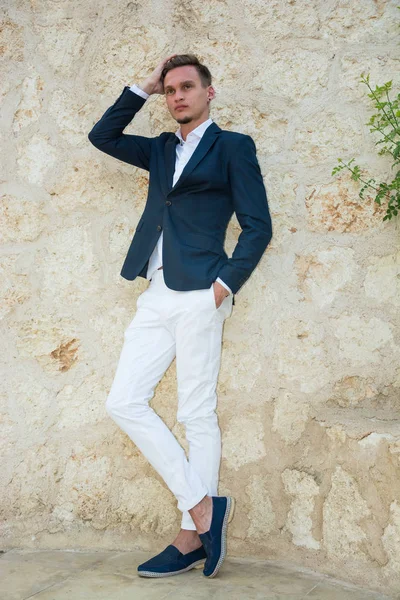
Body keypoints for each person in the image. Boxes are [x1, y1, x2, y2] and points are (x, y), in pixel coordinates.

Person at [88, 53, 272, 578]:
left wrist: (223, 286)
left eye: (186, 87)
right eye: (170, 90)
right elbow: (102, 136)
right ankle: (203, 507)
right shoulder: (162, 149)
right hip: (157, 291)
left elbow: (258, 225)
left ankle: (191, 537)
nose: (177, 97)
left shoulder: (233, 147)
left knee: (197, 413)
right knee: (124, 401)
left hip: (200, 292)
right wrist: (141, 87)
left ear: (209, 92)